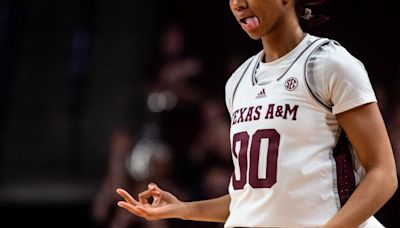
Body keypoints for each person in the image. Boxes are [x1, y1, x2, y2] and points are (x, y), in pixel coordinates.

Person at [115, 0, 398, 227]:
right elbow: (253, 199)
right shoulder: (237, 82)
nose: (238, 4)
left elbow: (383, 174)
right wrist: (184, 209)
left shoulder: (328, 64)